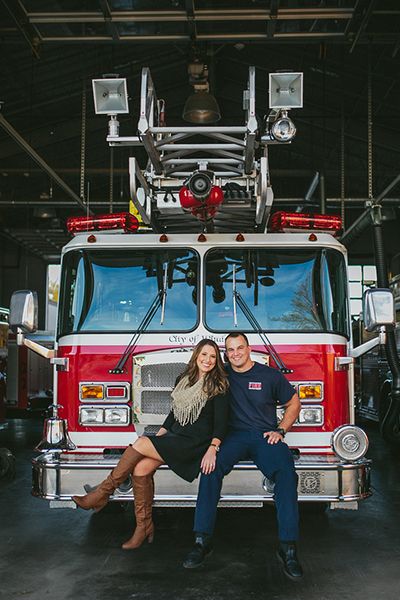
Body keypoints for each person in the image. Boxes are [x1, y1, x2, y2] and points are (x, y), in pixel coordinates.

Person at [73, 338, 230, 550]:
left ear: (217, 360)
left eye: (213, 356)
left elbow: (221, 423)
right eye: (204, 355)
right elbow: (175, 413)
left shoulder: (219, 386)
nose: (208, 360)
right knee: (140, 468)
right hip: (176, 437)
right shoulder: (183, 379)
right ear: (196, 356)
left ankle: (101, 494)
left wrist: (213, 448)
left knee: (141, 442)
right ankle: (143, 526)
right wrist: (162, 433)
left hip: (195, 444)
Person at [183, 332, 303, 580]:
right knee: (210, 469)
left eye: (240, 348)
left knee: (286, 474)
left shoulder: (269, 375)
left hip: (263, 436)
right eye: (230, 349)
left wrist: (281, 430)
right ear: (226, 353)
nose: (235, 353)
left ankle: (288, 547)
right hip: (232, 437)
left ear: (249, 349)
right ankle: (201, 540)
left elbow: (294, 402)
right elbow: (192, 381)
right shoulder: (221, 374)